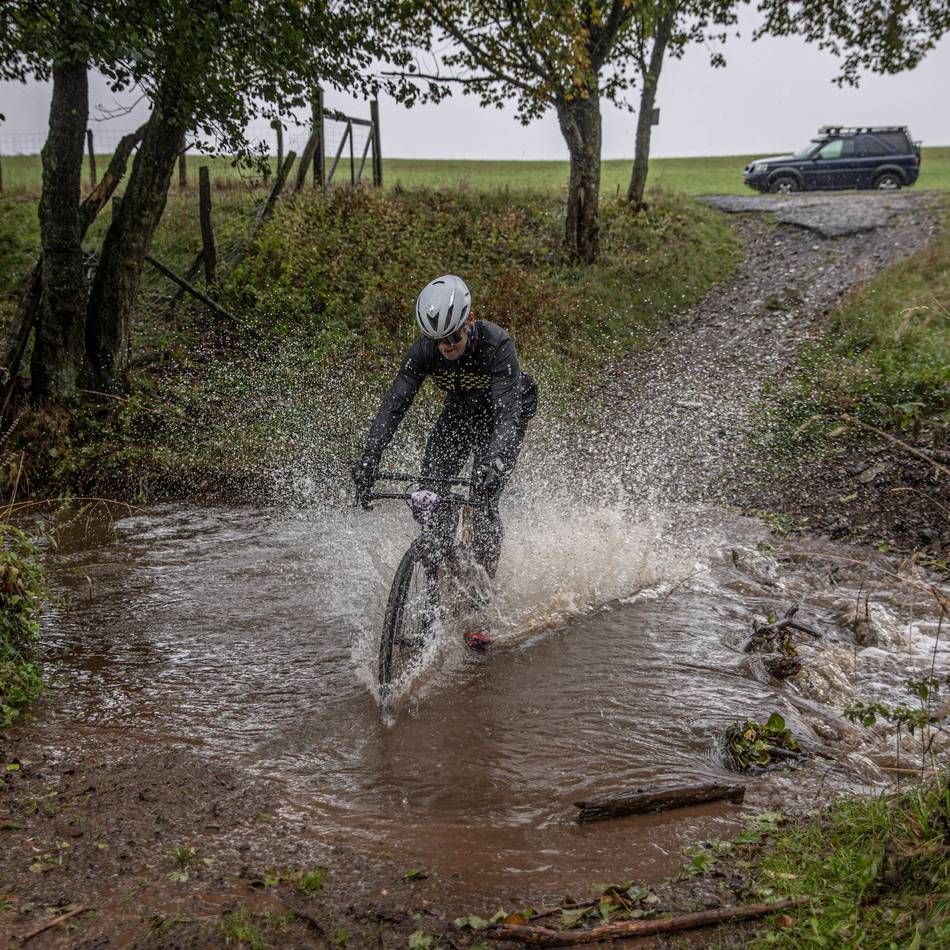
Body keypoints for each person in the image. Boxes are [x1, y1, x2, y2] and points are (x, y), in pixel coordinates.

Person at [352, 274, 537, 649]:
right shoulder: (424, 351)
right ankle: (440, 558)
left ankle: (479, 607)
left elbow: (505, 415)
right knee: (432, 490)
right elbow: (395, 404)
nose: (447, 347)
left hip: (506, 412)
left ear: (469, 323)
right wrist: (370, 455)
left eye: (453, 337)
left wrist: (495, 462)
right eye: (439, 341)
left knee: (483, 502)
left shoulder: (497, 344)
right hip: (460, 412)